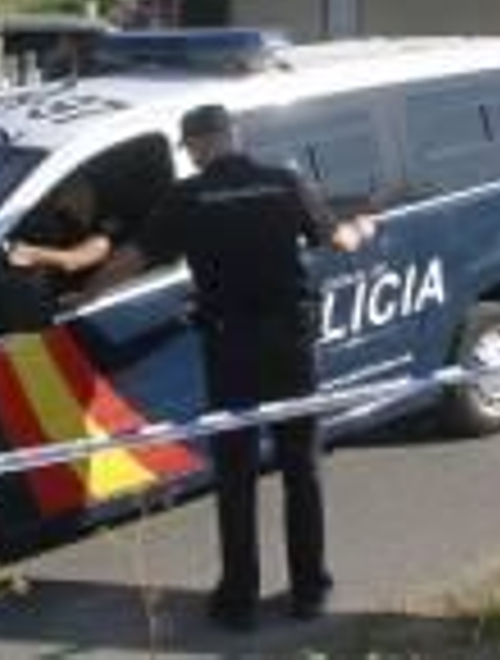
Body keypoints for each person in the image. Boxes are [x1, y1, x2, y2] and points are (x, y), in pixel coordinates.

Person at [87, 103, 375, 631]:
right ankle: (309, 592)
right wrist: (363, 227)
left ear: (198, 145)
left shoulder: (187, 197)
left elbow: (133, 259)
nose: (193, 155)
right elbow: (339, 241)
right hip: (289, 346)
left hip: (230, 349)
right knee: (301, 468)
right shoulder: (283, 182)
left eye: (191, 147)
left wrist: (82, 295)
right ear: (233, 135)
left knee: (236, 476)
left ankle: (238, 601)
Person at [0, 176, 115, 323]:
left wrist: (32, 253)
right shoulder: (52, 221)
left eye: (79, 194)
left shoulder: (99, 236)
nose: (64, 202)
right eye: (58, 195)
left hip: (62, 314)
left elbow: (76, 259)